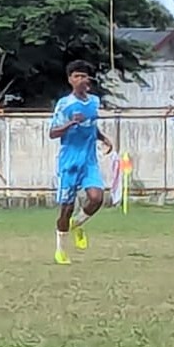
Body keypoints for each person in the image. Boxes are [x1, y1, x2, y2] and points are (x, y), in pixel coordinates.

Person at [49, 60, 113, 265]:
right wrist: (70, 123)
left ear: (88, 80)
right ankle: (60, 250)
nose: (80, 79)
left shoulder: (94, 101)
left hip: (89, 161)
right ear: (70, 80)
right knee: (65, 209)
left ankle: (78, 223)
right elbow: (52, 133)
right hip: (69, 162)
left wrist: (103, 138)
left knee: (96, 198)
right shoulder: (64, 104)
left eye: (83, 76)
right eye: (76, 76)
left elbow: (92, 126)